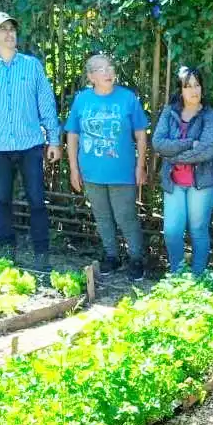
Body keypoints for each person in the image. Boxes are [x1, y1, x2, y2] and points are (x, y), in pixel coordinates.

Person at [0, 12, 61, 271]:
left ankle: (42, 254)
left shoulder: (32, 66)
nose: (10, 34)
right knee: (1, 200)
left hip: (30, 145)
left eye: (12, 29)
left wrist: (54, 140)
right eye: (3, 29)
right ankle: (6, 252)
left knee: (37, 200)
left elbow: (46, 103)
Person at [65, 54, 148, 281]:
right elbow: (72, 135)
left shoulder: (128, 98)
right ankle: (112, 256)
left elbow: (141, 136)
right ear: (91, 76)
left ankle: (136, 258)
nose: (108, 72)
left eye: (110, 67)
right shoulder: (82, 100)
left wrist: (140, 166)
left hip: (122, 172)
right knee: (102, 216)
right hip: (91, 171)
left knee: (125, 216)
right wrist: (74, 169)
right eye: (101, 69)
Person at [153, 66, 213, 275]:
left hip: (202, 182)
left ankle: (198, 279)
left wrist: (172, 154)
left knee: (198, 229)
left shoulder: (210, 115)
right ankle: (178, 276)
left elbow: (207, 150)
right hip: (174, 181)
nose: (194, 90)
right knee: (172, 232)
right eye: (188, 86)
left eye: (197, 85)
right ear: (180, 90)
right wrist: (190, 142)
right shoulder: (169, 111)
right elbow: (157, 143)